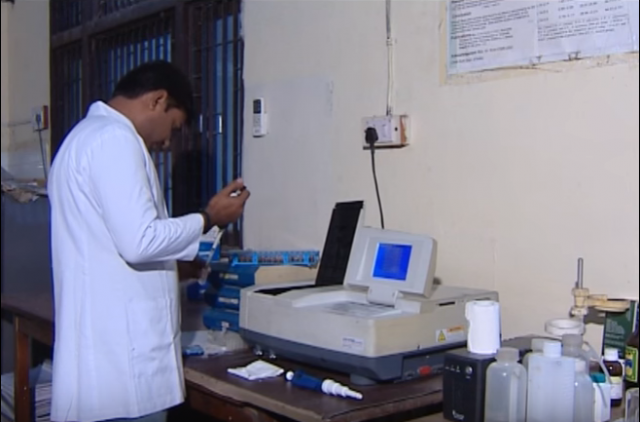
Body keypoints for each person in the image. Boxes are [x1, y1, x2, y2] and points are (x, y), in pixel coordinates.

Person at [47, 60, 250, 422]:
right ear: (158, 100)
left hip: (101, 356)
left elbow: (108, 244)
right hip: (123, 369)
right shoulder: (115, 140)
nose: (167, 141)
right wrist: (209, 217)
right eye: (174, 125)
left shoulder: (82, 137)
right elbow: (139, 240)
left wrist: (175, 265)